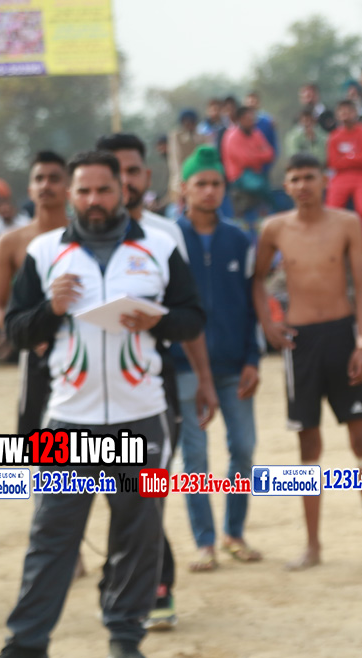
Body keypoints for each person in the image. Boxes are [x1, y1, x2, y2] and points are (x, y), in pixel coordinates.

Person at [0, 150, 204, 658]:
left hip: (142, 416)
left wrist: (156, 320)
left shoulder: (159, 248)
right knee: (52, 534)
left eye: (103, 190)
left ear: (122, 191)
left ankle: (125, 636)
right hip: (67, 422)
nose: (93, 200)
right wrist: (50, 310)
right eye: (84, 191)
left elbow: (193, 319)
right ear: (72, 195)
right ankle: (28, 646)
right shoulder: (45, 252)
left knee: (138, 533)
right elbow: (16, 331)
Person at [94, 132, 220, 632]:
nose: (123, 180)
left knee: (148, 488)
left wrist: (204, 378)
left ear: (146, 176)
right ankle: (121, 577)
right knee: (112, 491)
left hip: (155, 383)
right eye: (114, 172)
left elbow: (188, 313)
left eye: (131, 170)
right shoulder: (73, 238)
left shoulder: (166, 235)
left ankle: (157, 584)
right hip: (90, 392)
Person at [253, 153, 362, 569]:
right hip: (300, 343)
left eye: (309, 177)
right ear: (286, 186)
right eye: (294, 179)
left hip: (342, 336)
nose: (302, 185)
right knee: (308, 444)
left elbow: (361, 286)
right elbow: (256, 280)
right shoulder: (273, 228)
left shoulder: (346, 223)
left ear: (324, 180)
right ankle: (312, 546)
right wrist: (268, 324)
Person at [168, 146, 263, 571]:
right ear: (184, 188)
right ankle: (204, 542)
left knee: (243, 448)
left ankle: (234, 533)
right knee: (195, 458)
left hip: (234, 366)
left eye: (216, 183)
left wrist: (253, 359)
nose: (209, 191)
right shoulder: (167, 240)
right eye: (201, 183)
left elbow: (253, 303)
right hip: (185, 367)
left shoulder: (239, 239)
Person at [0, 152, 68, 431]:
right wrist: (28, 334)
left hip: (81, 345)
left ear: (69, 187)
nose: (46, 185)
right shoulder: (11, 242)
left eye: (54, 178)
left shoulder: (86, 237)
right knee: (33, 435)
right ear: (30, 188)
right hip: (34, 351)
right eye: (39, 178)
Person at [327, 100, 362, 252]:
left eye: (348, 111)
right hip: (340, 177)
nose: (345, 114)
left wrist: (346, 158)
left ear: (355, 113)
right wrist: (354, 157)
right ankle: (333, 247)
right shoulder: (334, 136)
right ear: (337, 115)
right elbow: (333, 162)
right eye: (342, 111)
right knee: (332, 211)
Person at [221, 106, 275, 221]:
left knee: (267, 185)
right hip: (239, 175)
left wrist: (253, 155)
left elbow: (270, 154)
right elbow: (244, 160)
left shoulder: (256, 133)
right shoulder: (231, 136)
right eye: (248, 119)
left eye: (252, 119)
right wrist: (258, 155)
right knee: (260, 186)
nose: (252, 122)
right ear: (240, 119)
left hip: (256, 172)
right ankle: (275, 211)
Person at [167, 109, 203, 207]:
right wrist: (180, 183)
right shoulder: (176, 136)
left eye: (191, 121)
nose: (188, 124)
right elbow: (176, 161)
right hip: (181, 180)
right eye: (186, 121)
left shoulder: (202, 137)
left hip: (198, 179)